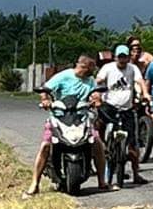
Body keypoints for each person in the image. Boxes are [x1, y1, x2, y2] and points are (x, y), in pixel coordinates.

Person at [22, 54, 107, 197]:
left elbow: (96, 93)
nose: (92, 72)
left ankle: (102, 181)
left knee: (97, 143)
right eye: (90, 69)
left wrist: (97, 99)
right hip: (59, 118)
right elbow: (45, 89)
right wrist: (45, 100)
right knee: (45, 146)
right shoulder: (63, 76)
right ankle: (34, 183)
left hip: (81, 118)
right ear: (83, 66)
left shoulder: (90, 80)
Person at [95, 45, 151, 186]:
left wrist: (145, 93)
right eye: (120, 57)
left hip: (127, 109)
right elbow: (99, 80)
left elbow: (140, 82)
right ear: (115, 57)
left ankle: (136, 173)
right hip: (110, 107)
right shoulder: (108, 68)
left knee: (133, 143)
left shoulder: (133, 69)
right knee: (99, 127)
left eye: (124, 57)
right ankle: (103, 149)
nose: (122, 60)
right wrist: (96, 93)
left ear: (128, 57)